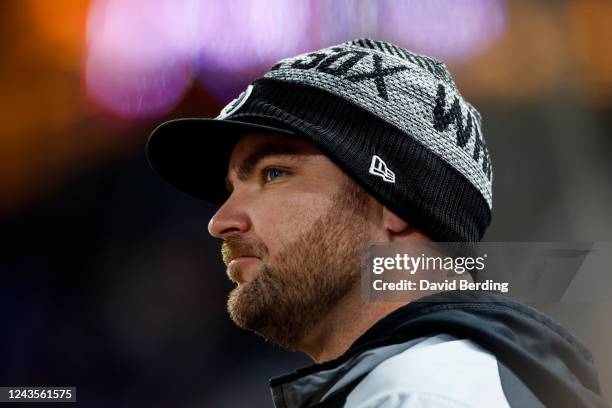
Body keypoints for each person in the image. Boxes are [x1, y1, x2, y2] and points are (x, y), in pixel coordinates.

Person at [146, 39, 608, 407]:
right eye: (231, 189)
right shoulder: (450, 381)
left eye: (274, 173)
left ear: (397, 204)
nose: (221, 221)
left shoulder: (420, 394)